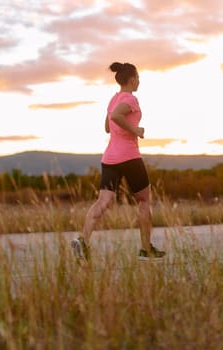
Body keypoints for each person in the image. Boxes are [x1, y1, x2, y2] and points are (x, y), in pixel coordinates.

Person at [71, 62, 166, 261]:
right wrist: (135, 130)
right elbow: (115, 117)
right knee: (144, 201)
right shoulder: (131, 99)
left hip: (110, 158)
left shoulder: (113, 99)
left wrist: (122, 125)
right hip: (130, 157)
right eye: (138, 77)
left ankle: (83, 240)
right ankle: (145, 249)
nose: (139, 80)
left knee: (104, 201)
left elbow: (108, 125)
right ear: (132, 79)